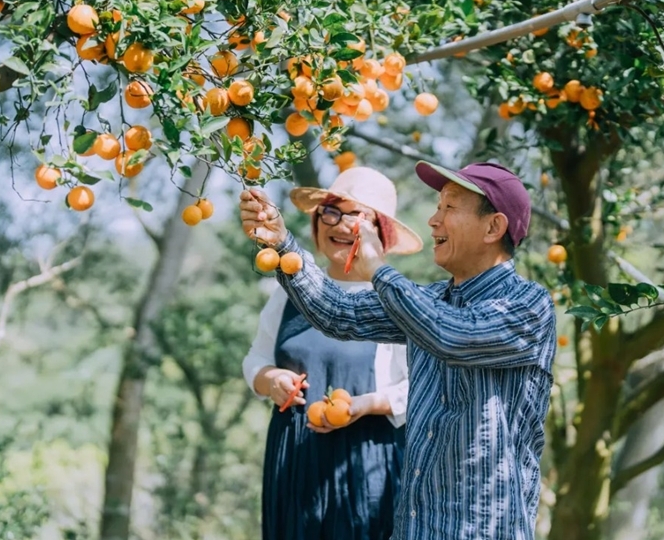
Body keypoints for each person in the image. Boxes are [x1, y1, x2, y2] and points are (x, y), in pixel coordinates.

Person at [239, 160, 557, 540]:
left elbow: (452, 335)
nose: (433, 220)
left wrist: (376, 268)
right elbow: (338, 313)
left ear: (493, 227)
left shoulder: (528, 304)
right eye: (437, 207)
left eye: (449, 208)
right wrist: (281, 243)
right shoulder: (429, 299)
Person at [241, 166, 425, 540]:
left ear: (380, 233)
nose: (341, 225)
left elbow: (419, 389)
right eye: (332, 211)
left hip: (365, 460)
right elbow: (255, 359)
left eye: (359, 216)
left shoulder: (395, 299)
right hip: (293, 458)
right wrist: (271, 379)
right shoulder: (289, 289)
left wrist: (365, 405)